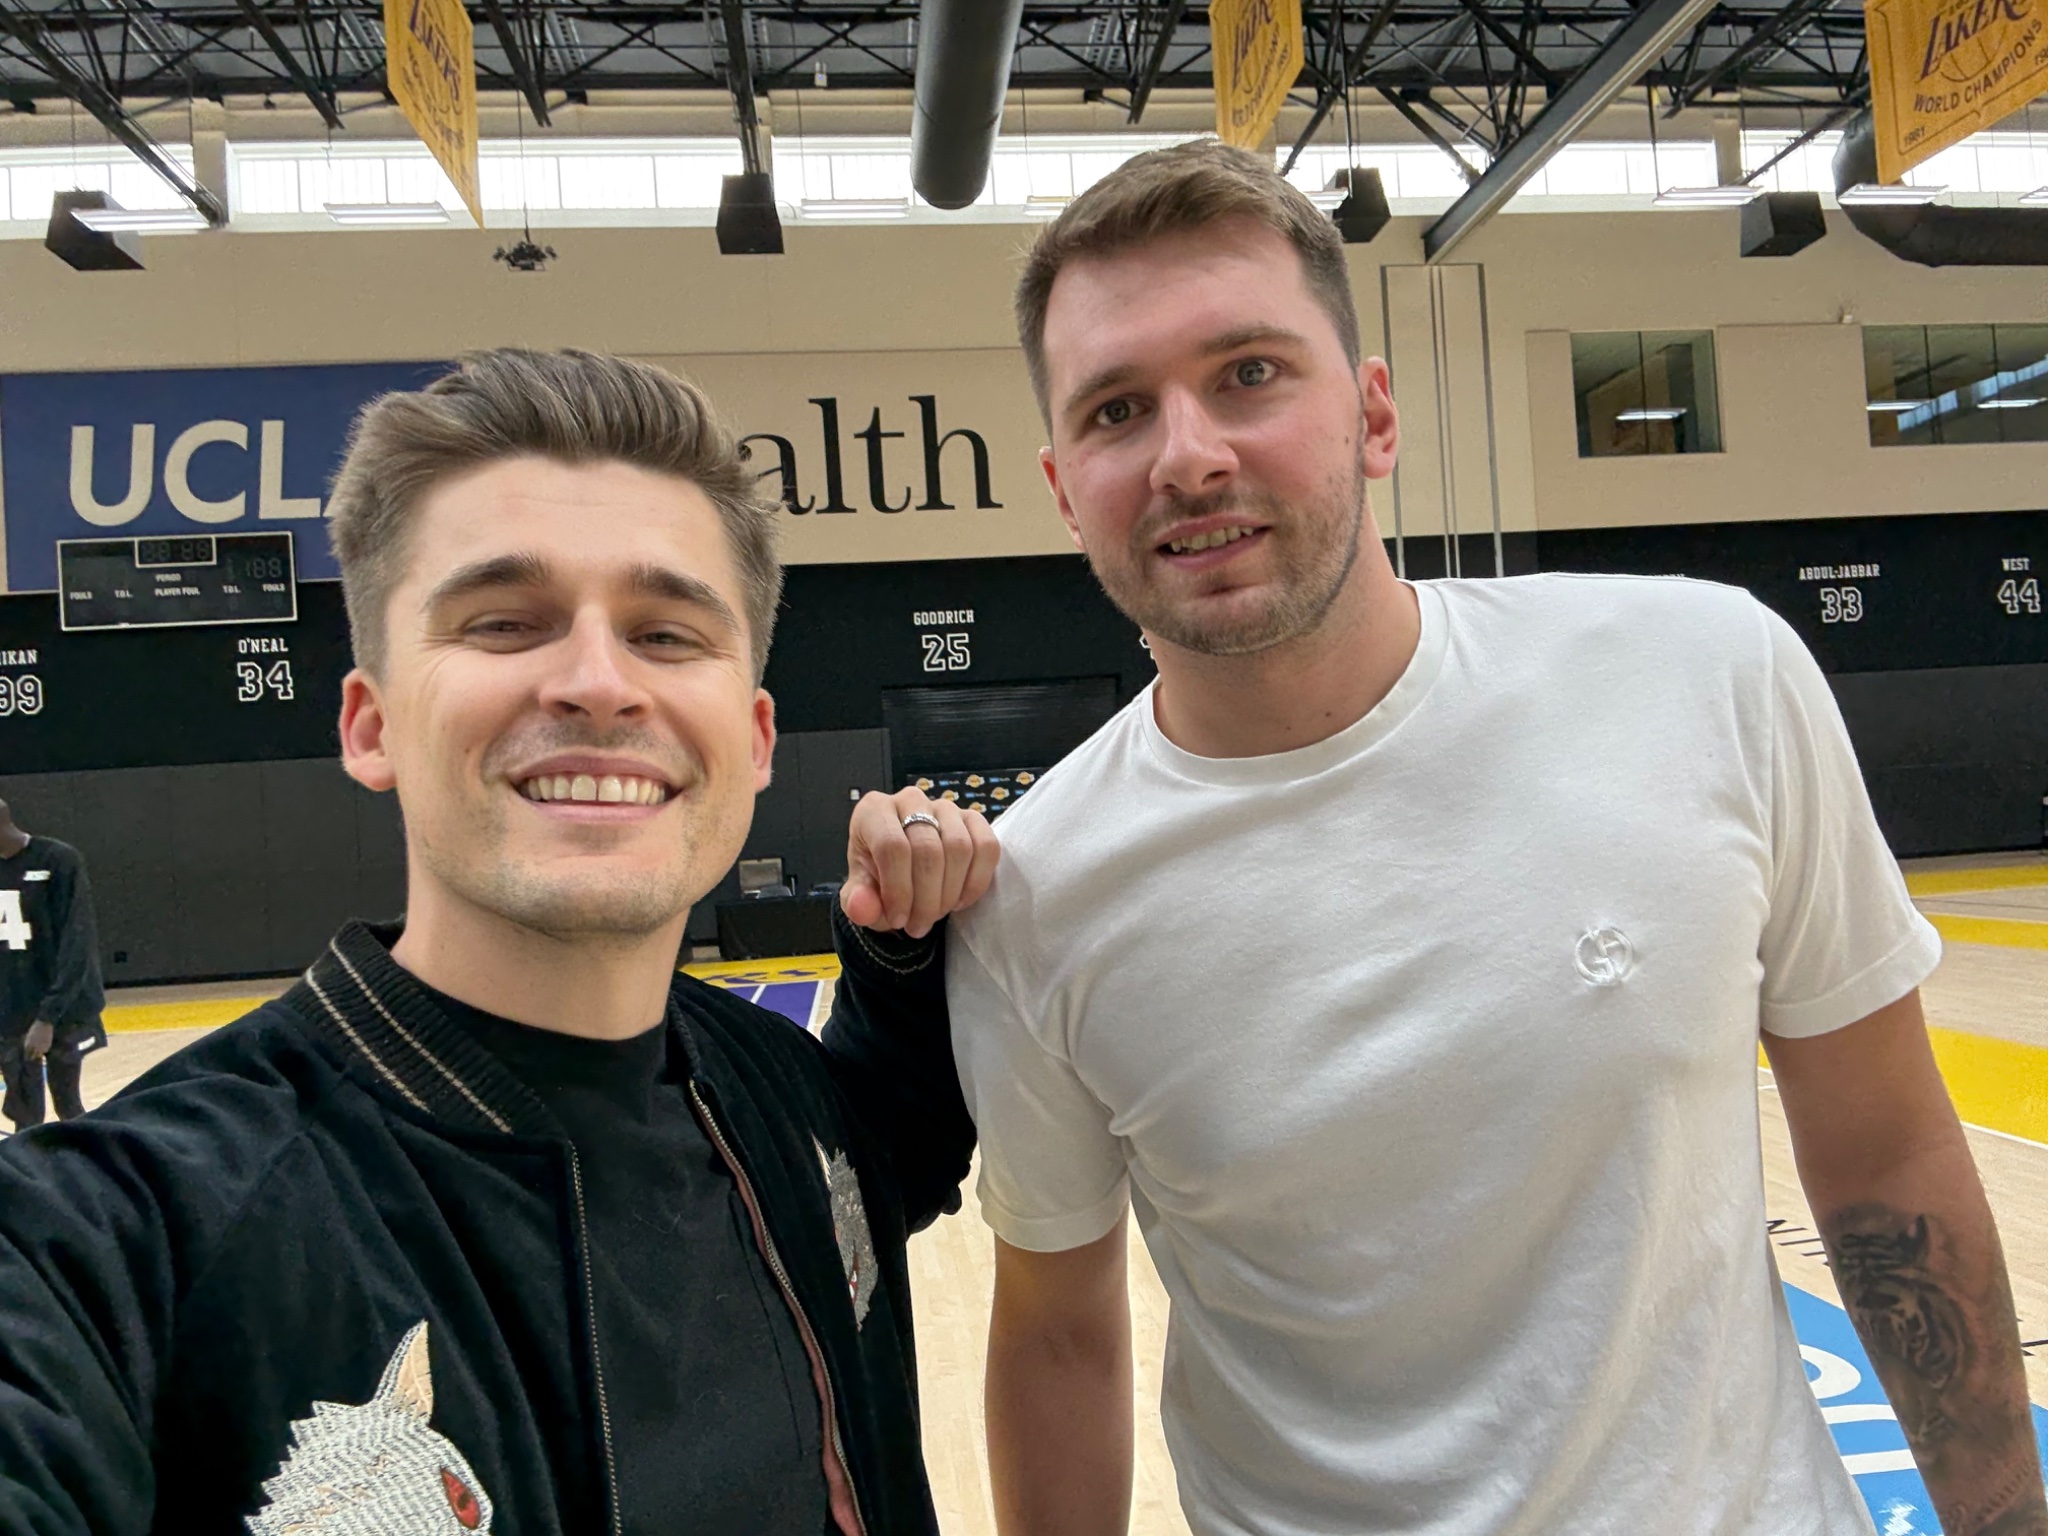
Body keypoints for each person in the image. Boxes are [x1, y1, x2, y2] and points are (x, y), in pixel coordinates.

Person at [950, 141, 2046, 1536]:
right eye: (1117, 410)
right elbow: (1058, 1335)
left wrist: (2005, 1521)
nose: (1189, 455)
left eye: (1249, 373)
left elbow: (1885, 1153)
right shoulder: (1036, 891)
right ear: (1064, 489)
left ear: (1374, 416)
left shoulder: (1709, 675)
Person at [0, 349, 999, 1536]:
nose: (596, 682)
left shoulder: (780, 1095)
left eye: (666, 633)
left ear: (755, 739)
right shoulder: (111, 1242)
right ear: (370, 725)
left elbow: (895, 1150)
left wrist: (896, 950)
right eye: (504, 622)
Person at [0, 797, 106, 1131]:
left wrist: (48, 1017)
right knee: (24, 1113)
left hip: (66, 1008)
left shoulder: (58, 860)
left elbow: (77, 946)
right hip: (13, 1008)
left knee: (68, 1104)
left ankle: (90, 1158)